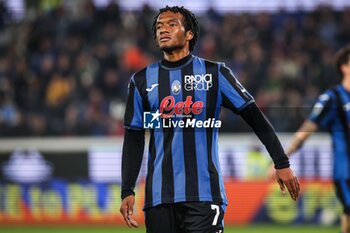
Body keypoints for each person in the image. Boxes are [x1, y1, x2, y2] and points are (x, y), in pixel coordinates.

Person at [120, 6, 300, 233]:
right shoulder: (142, 81)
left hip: (204, 196)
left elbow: (254, 117)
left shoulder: (214, 74)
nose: (163, 30)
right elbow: (134, 139)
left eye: (171, 24)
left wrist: (281, 162)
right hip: (159, 198)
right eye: (159, 26)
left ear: (189, 34)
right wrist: (127, 189)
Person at [285, 45, 350, 233]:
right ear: (344, 67)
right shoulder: (333, 98)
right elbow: (307, 129)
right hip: (345, 172)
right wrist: (282, 158)